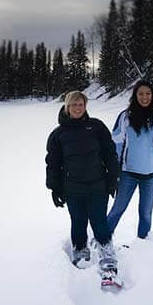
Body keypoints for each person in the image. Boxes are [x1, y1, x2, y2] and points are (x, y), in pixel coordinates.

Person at [45, 91, 120, 265]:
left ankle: (106, 248)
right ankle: (80, 249)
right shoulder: (58, 134)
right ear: (67, 107)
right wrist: (54, 188)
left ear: (85, 106)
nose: (78, 108)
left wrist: (113, 178)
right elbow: (53, 163)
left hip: (98, 184)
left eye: (81, 104)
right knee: (78, 221)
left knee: (99, 219)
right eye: (74, 105)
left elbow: (110, 154)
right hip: (73, 188)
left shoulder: (96, 127)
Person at [107, 80, 153, 239]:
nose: (145, 97)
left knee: (146, 213)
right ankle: (103, 238)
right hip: (128, 173)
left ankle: (143, 244)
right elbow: (115, 141)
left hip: (152, 175)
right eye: (141, 93)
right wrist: (114, 168)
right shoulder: (125, 117)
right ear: (135, 96)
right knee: (118, 209)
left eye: (148, 93)